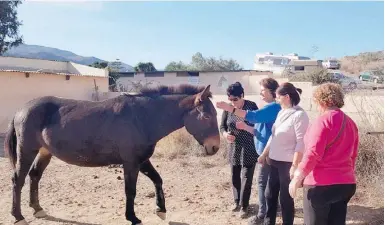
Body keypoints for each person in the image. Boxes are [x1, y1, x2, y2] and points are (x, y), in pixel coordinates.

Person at [289, 83, 359, 225]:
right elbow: (353, 155)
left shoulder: (322, 121)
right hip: (346, 184)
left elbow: (313, 152)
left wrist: (298, 176)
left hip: (321, 185)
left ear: (322, 101)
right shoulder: (351, 123)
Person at [256, 82, 309, 225]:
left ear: (286, 97)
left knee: (286, 199)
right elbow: (273, 137)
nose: (276, 100)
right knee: (269, 195)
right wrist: (264, 154)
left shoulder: (300, 115)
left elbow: (301, 142)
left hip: (287, 164)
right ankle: (269, 222)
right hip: (273, 161)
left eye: (278, 97)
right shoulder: (281, 112)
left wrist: (295, 165)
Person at [230, 78, 281, 222]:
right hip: (267, 152)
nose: (261, 93)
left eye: (263, 90)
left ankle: (262, 214)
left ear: (272, 92)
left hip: (267, 154)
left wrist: (230, 109)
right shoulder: (270, 107)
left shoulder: (272, 107)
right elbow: (258, 129)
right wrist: (245, 127)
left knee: (262, 183)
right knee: (271, 182)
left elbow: (254, 117)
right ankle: (273, 207)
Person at [219, 82, 259, 218]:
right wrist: (225, 135)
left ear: (242, 95)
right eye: (230, 99)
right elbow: (222, 126)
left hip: (249, 147)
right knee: (234, 176)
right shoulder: (228, 108)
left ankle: (244, 205)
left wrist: (245, 127)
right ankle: (236, 202)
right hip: (234, 147)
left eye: (235, 99)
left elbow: (257, 126)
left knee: (246, 178)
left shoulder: (252, 106)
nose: (232, 102)